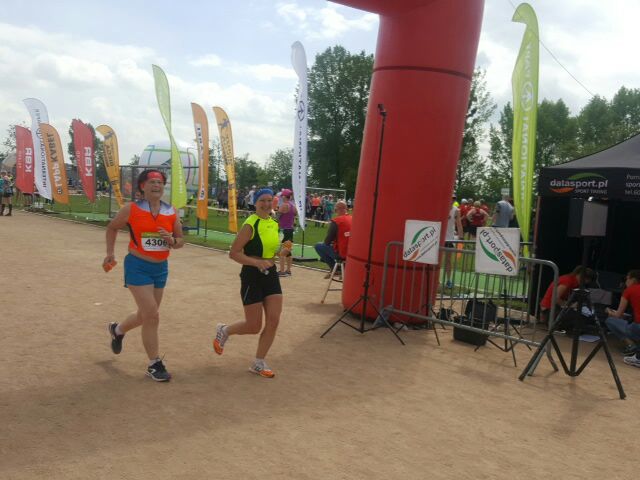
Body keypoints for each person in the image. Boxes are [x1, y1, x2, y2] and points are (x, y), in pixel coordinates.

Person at [104, 169, 184, 382]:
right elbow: (112, 228)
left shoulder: (171, 211)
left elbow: (180, 241)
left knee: (145, 315)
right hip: (137, 266)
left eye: (160, 182)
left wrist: (171, 240)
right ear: (142, 186)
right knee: (152, 315)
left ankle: (118, 330)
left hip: (160, 269)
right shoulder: (131, 209)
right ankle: (154, 364)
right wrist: (110, 253)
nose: (157, 185)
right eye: (152, 182)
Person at [213, 188, 282, 378]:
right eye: (262, 201)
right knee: (253, 326)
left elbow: (271, 251)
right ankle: (224, 331)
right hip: (252, 275)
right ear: (255, 203)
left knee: (274, 320)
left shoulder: (274, 223)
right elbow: (234, 253)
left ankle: (258, 362)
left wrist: (281, 252)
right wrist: (256, 262)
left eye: (269, 200)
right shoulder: (250, 224)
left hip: (270, 274)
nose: (266, 204)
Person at [604, 270, 640, 359]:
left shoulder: (629, 290)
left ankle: (631, 345)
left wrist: (609, 311)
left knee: (610, 320)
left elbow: (618, 315)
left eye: (627, 279)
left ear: (633, 279)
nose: (626, 281)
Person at [314, 200, 352, 278]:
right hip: (352, 252)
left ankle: (336, 269)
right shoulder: (353, 219)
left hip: (342, 253)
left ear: (337, 209)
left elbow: (327, 241)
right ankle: (341, 269)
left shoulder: (336, 221)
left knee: (318, 246)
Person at [443, 199, 464, 289]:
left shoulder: (456, 210)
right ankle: (435, 279)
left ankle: (448, 280)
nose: (452, 200)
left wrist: (461, 237)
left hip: (449, 238)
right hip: (439, 238)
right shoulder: (441, 207)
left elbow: (459, 224)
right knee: (436, 259)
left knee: (448, 260)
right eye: (451, 198)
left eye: (454, 199)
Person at [277, 189, 297, 277]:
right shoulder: (293, 206)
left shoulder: (284, 205)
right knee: (288, 252)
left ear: (284, 196)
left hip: (284, 231)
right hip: (290, 231)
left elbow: (277, 217)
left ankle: (282, 271)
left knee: (281, 253)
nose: (281, 197)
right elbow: (295, 215)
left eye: (282, 196)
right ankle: (288, 270)